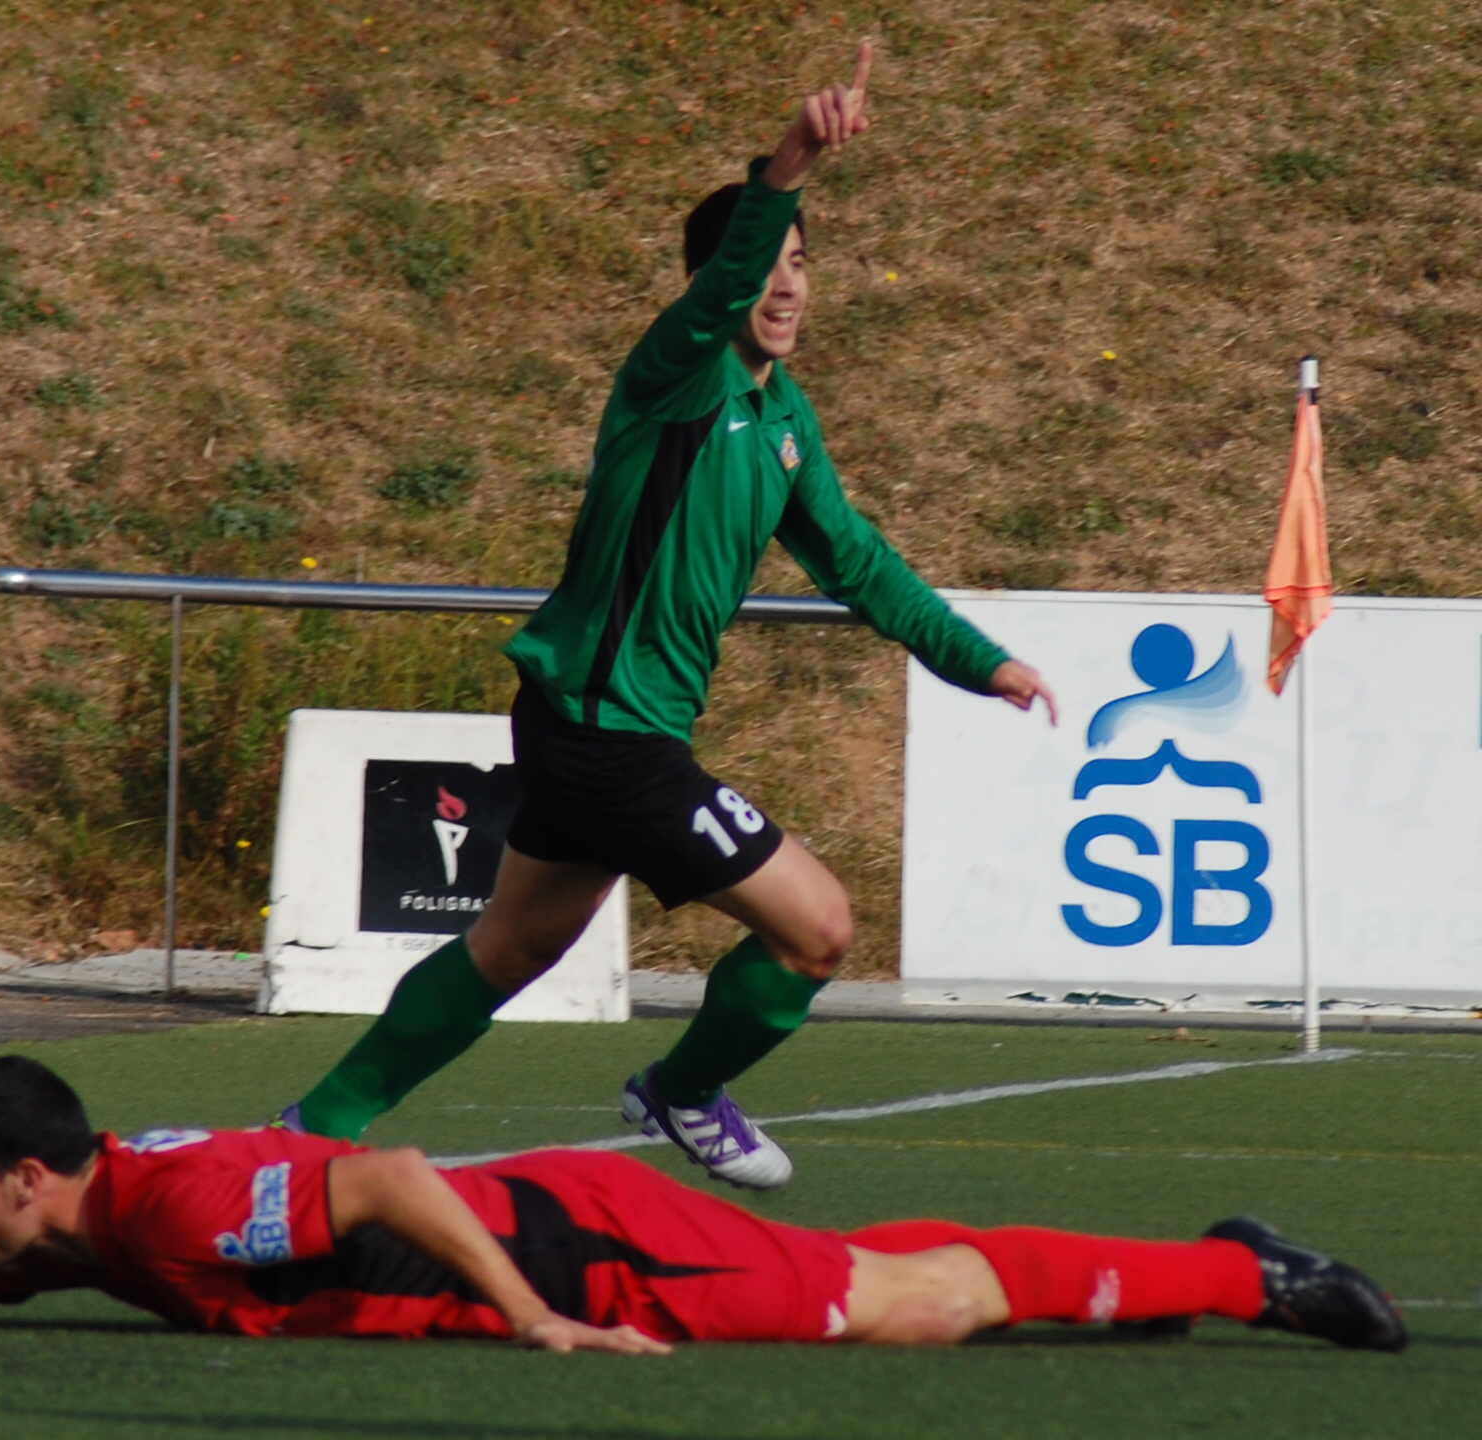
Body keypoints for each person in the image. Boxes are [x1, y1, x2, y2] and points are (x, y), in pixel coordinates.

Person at [278, 46, 1058, 1189]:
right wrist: (791, 160)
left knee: (514, 944)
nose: (784, 287)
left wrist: (981, 662)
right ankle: (682, 1091)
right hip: (608, 736)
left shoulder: (782, 418)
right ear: (711, 290)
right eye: (763, 269)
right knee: (819, 928)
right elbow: (738, 258)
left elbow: (859, 562)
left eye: (801, 268)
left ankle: (318, 1124)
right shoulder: (675, 377)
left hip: (592, 727)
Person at [0, 1057, 1405, 1353]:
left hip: (594, 1244)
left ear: (34, 1175)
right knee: (908, 1288)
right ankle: (1209, 1274)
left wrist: (538, 1324)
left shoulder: (184, 1204)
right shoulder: (84, 1226)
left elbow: (380, 1174)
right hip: (556, 1248)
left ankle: (1250, 1276)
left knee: (907, 1306)